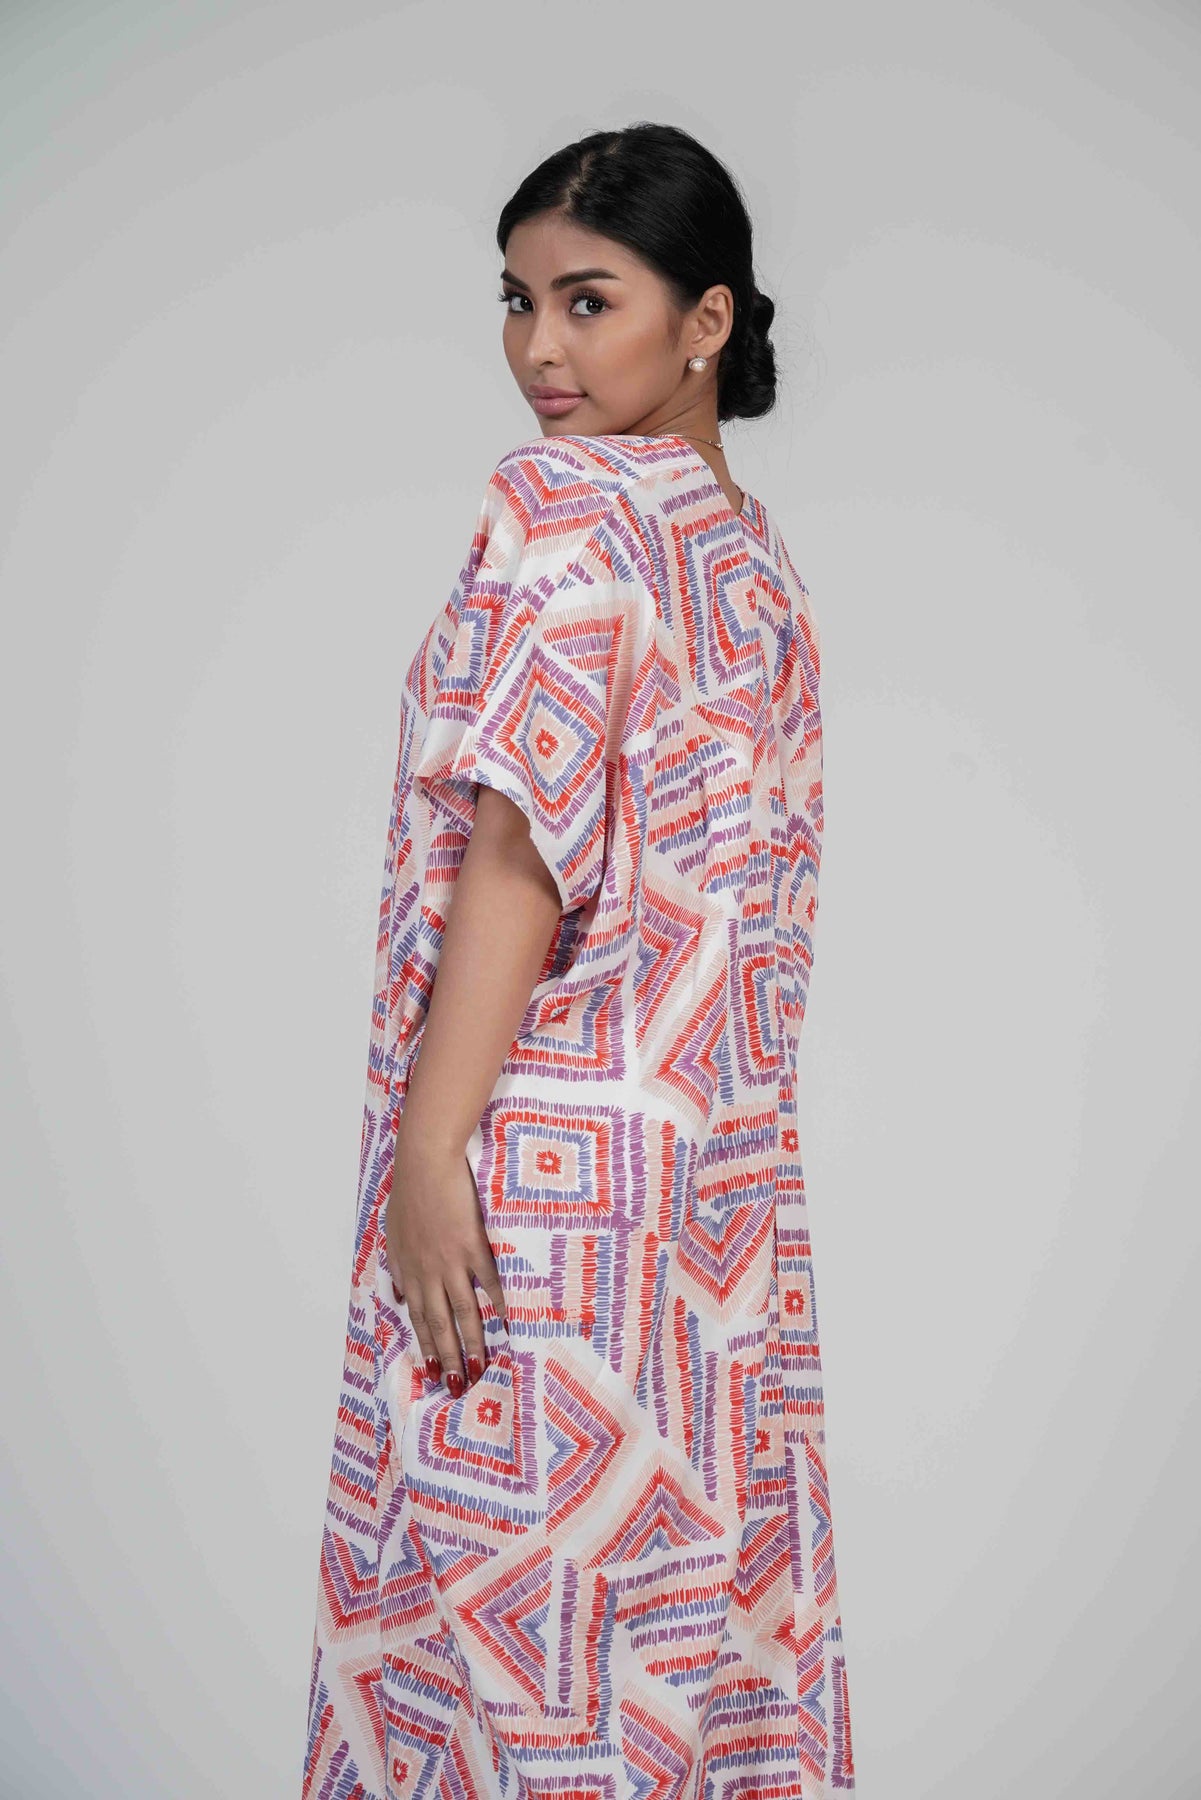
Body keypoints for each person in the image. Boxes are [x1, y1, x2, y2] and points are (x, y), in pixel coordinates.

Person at [303, 120, 856, 1798]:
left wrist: (430, 1152)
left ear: (706, 320)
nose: (539, 349)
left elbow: (516, 849)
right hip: (710, 1232)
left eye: (587, 300)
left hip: (535, 1199)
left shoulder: (569, 510)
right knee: (675, 1675)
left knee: (504, 1693)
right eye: (516, 299)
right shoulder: (752, 560)